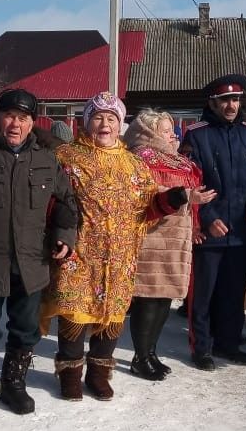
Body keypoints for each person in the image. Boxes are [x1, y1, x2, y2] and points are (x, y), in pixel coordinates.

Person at [43, 96, 212, 399]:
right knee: (74, 312)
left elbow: (149, 205)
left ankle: (99, 372)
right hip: (79, 252)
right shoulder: (67, 157)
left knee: (112, 314)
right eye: (98, 118)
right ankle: (69, 372)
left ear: (120, 124)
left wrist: (179, 197)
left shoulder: (134, 164)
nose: (104, 124)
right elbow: (51, 202)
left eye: (111, 119)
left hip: (121, 255)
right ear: (87, 122)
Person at [0, 88, 78, 425]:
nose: (15, 124)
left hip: (32, 260)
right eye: (9, 116)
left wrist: (65, 234)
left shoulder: (47, 158)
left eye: (22, 118)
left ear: (33, 122)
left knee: (25, 329)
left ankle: (13, 386)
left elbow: (67, 202)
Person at [181, 74, 246, 370]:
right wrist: (207, 218)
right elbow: (192, 182)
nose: (231, 105)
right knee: (204, 295)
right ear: (213, 102)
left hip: (240, 231)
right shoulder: (197, 135)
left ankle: (229, 343)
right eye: (225, 100)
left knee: (234, 293)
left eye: (236, 99)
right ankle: (202, 347)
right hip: (210, 231)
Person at [126, 108, 207, 380]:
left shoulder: (177, 161)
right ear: (148, 132)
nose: (171, 135)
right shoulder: (140, 158)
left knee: (163, 299)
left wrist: (194, 222)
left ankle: (151, 353)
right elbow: (143, 194)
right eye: (164, 130)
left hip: (175, 238)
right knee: (148, 298)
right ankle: (140, 356)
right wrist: (184, 196)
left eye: (171, 129)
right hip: (152, 237)